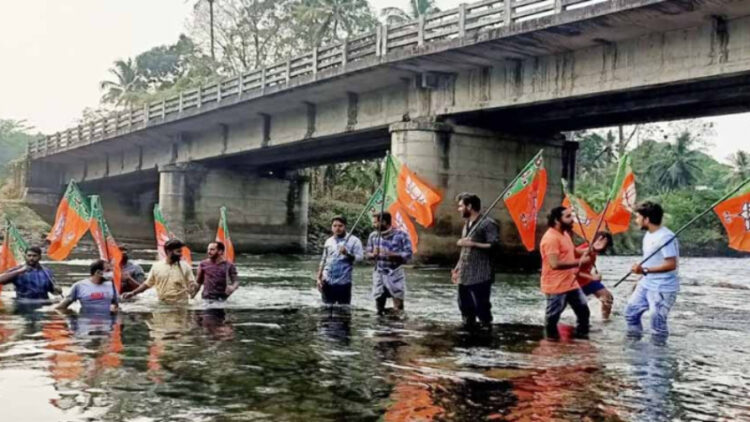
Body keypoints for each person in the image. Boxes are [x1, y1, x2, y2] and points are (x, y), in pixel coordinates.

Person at [624, 201, 680, 343]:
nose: (636, 221)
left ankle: (658, 359)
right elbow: (650, 260)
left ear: (646, 219)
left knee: (657, 325)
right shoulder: (649, 235)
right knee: (631, 314)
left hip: (662, 287)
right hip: (646, 283)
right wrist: (640, 278)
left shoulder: (666, 237)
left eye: (638, 217)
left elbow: (671, 264)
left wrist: (644, 270)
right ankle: (635, 346)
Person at [539, 206, 591, 339]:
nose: (572, 219)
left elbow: (572, 251)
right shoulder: (550, 238)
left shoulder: (565, 233)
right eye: (568, 217)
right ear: (557, 220)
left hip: (570, 282)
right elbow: (554, 264)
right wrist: (580, 262)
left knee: (583, 311)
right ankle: (551, 343)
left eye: (571, 216)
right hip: (556, 285)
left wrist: (588, 250)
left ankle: (581, 340)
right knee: (553, 317)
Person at [451, 193, 500, 328]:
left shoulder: (487, 224)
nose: (459, 209)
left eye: (461, 206)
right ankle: (468, 337)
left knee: (482, 309)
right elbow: (464, 251)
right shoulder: (467, 224)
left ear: (470, 206)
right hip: (465, 274)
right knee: (465, 308)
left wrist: (474, 244)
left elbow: (494, 245)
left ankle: (486, 337)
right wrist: (457, 268)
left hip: (481, 274)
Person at [122, 239, 197, 304]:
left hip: (181, 306)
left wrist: (193, 287)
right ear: (169, 251)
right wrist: (133, 293)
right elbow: (147, 284)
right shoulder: (157, 266)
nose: (181, 254)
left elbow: (192, 283)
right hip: (163, 305)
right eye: (178, 251)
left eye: (181, 251)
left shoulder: (185, 267)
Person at [366, 212, 412, 315]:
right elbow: (367, 255)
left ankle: (397, 325)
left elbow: (408, 255)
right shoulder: (373, 236)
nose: (373, 225)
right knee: (379, 301)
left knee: (398, 304)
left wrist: (390, 254)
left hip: (395, 272)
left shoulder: (401, 235)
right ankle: (381, 324)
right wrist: (373, 255)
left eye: (375, 223)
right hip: (379, 272)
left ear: (384, 222)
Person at [316, 216, 364, 305]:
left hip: (343, 283)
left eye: (340, 226)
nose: (337, 228)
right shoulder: (328, 241)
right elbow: (323, 260)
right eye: (334, 226)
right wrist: (318, 278)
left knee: (344, 311)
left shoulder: (354, 241)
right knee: (326, 311)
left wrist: (347, 254)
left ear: (345, 226)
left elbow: (360, 259)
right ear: (331, 227)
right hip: (327, 282)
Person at [576, 231, 615, 320]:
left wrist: (593, 275)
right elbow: (572, 271)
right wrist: (591, 277)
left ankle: (604, 320)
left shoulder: (594, 252)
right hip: (576, 283)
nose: (606, 248)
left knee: (607, 297)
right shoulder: (583, 251)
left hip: (587, 281)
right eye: (606, 245)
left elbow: (585, 269)